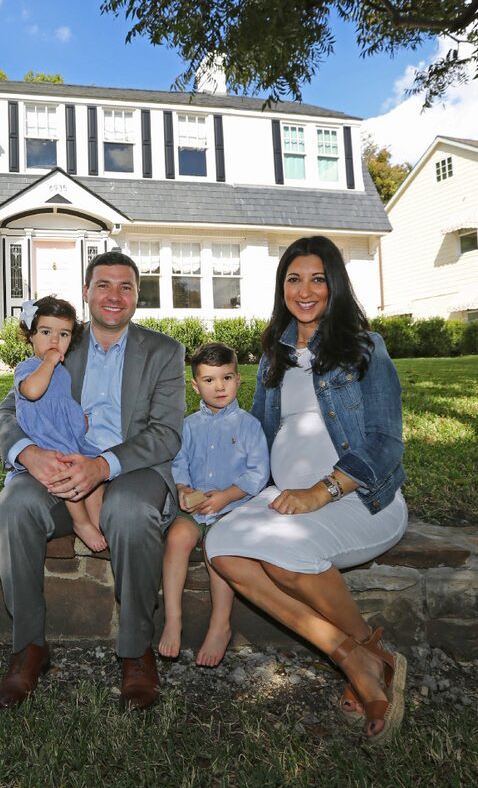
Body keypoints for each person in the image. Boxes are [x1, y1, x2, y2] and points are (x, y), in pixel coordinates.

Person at [205, 235, 409, 744]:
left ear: (334, 284)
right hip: (285, 499)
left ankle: (363, 660)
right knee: (221, 549)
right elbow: (257, 429)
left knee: (282, 559)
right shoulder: (275, 352)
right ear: (282, 288)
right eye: (294, 278)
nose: (305, 289)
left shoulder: (365, 347)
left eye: (318, 278)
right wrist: (218, 476)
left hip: (361, 498)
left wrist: (322, 490)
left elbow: (386, 442)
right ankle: (358, 652)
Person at [0, 251, 186, 710]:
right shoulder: (59, 343)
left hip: (130, 472)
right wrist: (29, 453)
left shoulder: (163, 352)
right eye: (103, 285)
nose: (114, 296)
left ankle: (136, 650)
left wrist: (103, 467)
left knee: (131, 513)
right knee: (14, 506)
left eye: (126, 287)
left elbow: (167, 433)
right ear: (86, 292)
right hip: (58, 466)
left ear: (138, 296)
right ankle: (29, 647)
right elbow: (7, 412)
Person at [158, 343, 269, 666]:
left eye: (226, 377)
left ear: (238, 379)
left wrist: (227, 495)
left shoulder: (249, 426)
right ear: (195, 386)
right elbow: (178, 463)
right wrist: (183, 488)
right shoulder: (189, 425)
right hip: (195, 506)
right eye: (209, 380)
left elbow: (258, 472)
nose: (219, 387)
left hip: (232, 507)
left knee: (216, 550)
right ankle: (173, 619)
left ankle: (220, 624)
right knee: (177, 538)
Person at [11, 295, 107, 552]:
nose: (54, 341)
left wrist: (79, 420)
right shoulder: (28, 367)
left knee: (94, 477)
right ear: (30, 335)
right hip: (46, 436)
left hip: (64, 434)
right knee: (67, 473)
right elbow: (32, 392)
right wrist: (49, 362)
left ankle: (97, 520)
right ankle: (81, 521)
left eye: (63, 334)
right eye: (45, 332)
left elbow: (62, 403)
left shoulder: (62, 372)